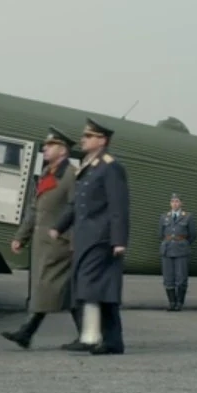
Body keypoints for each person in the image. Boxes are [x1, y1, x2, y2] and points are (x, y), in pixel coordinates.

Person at [50, 118, 130, 355]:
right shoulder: (90, 166)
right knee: (93, 287)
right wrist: (59, 227)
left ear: (101, 140)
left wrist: (119, 240)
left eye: (88, 136)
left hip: (101, 237)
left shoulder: (110, 167)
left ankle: (99, 338)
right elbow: (77, 204)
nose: (82, 140)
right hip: (86, 237)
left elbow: (118, 205)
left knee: (93, 286)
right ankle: (97, 337)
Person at [2, 129, 80, 348]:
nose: (45, 148)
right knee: (60, 290)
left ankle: (26, 332)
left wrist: (70, 239)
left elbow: (77, 208)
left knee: (48, 287)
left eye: (51, 145)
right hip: (42, 243)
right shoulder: (47, 172)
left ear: (63, 150)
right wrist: (21, 236)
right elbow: (34, 208)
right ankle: (87, 335)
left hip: (60, 243)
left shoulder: (72, 175)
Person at [158, 194, 197, 311]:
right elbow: (160, 234)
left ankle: (179, 302)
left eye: (177, 201)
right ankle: (171, 302)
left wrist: (183, 243)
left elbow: (193, 235)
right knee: (168, 277)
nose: (175, 204)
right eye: (173, 201)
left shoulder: (188, 217)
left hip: (181, 250)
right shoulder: (164, 217)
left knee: (181, 277)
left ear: (181, 203)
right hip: (167, 249)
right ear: (170, 203)